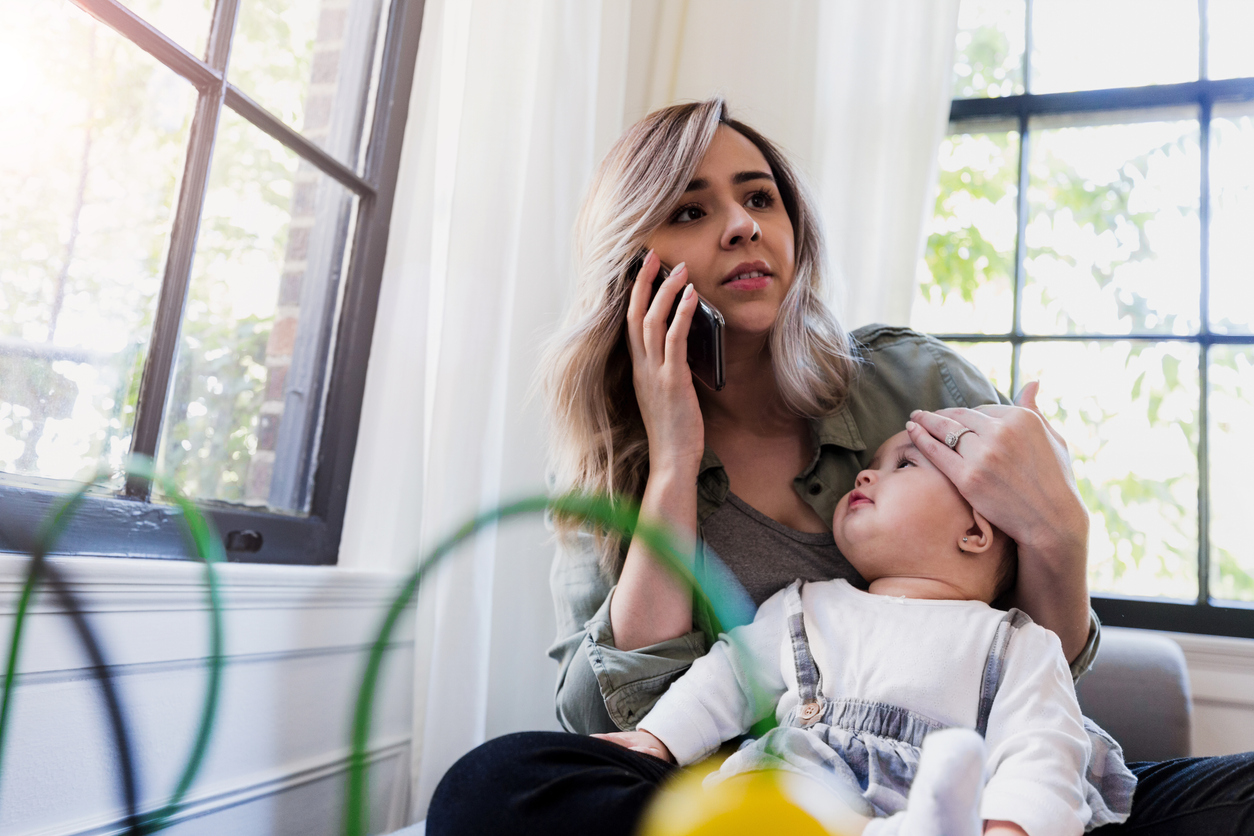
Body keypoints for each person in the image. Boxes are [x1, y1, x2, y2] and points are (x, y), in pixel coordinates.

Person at [427, 99, 1254, 836]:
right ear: (633, 263)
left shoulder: (917, 384)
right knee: (489, 790)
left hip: (983, 790)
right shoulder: (614, 469)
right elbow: (624, 727)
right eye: (690, 207)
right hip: (769, 805)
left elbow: (1034, 660)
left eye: (759, 197)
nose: (744, 225)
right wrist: (674, 460)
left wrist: (1060, 529)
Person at [594, 428, 1136, 836]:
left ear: (975, 531)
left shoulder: (1015, 644)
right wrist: (656, 738)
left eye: (903, 465)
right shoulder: (805, 607)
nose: (865, 474)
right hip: (792, 793)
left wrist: (1012, 827)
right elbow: (729, 677)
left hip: (926, 799)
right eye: (872, 464)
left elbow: (1042, 750)